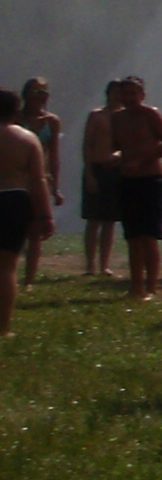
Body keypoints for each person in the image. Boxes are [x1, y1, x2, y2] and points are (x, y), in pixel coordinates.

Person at [109, 77, 162, 301]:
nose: (128, 98)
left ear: (142, 95)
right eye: (124, 94)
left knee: (149, 236)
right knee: (133, 236)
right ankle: (136, 285)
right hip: (128, 181)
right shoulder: (117, 118)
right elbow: (118, 146)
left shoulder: (150, 114)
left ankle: (152, 287)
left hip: (151, 180)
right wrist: (115, 157)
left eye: (132, 93)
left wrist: (142, 161)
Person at [0, 91, 55, 338]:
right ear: (16, 111)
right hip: (14, 200)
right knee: (6, 268)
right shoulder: (27, 139)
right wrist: (45, 215)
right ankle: (3, 328)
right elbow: (38, 180)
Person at [16, 79, 62, 286]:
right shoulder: (16, 118)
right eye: (36, 91)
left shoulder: (51, 121)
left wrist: (56, 186)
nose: (40, 96)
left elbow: (54, 154)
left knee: (35, 231)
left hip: (40, 177)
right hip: (17, 176)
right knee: (14, 228)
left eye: (43, 92)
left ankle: (29, 280)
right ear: (26, 94)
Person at [81, 81, 121, 277]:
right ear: (108, 93)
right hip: (96, 169)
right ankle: (90, 265)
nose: (117, 96)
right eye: (114, 92)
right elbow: (87, 145)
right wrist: (89, 174)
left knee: (110, 220)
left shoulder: (125, 117)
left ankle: (104, 264)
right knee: (93, 219)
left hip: (116, 170)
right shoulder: (97, 115)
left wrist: (119, 155)